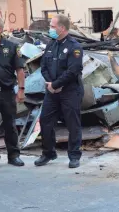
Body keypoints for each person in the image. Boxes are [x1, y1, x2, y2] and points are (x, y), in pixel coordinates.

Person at [34, 14, 84, 169]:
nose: (50, 29)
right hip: (52, 91)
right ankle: (48, 153)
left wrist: (56, 84)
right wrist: (51, 84)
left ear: (62, 28)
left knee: (72, 124)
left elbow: (73, 70)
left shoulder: (75, 47)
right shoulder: (51, 45)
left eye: (52, 26)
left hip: (69, 91)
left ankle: (74, 156)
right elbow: (43, 66)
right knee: (45, 121)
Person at [0, 17, 26, 169]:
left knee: (10, 125)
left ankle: (14, 156)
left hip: (7, 92)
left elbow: (20, 71)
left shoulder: (12, 47)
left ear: (0, 29)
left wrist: (21, 90)